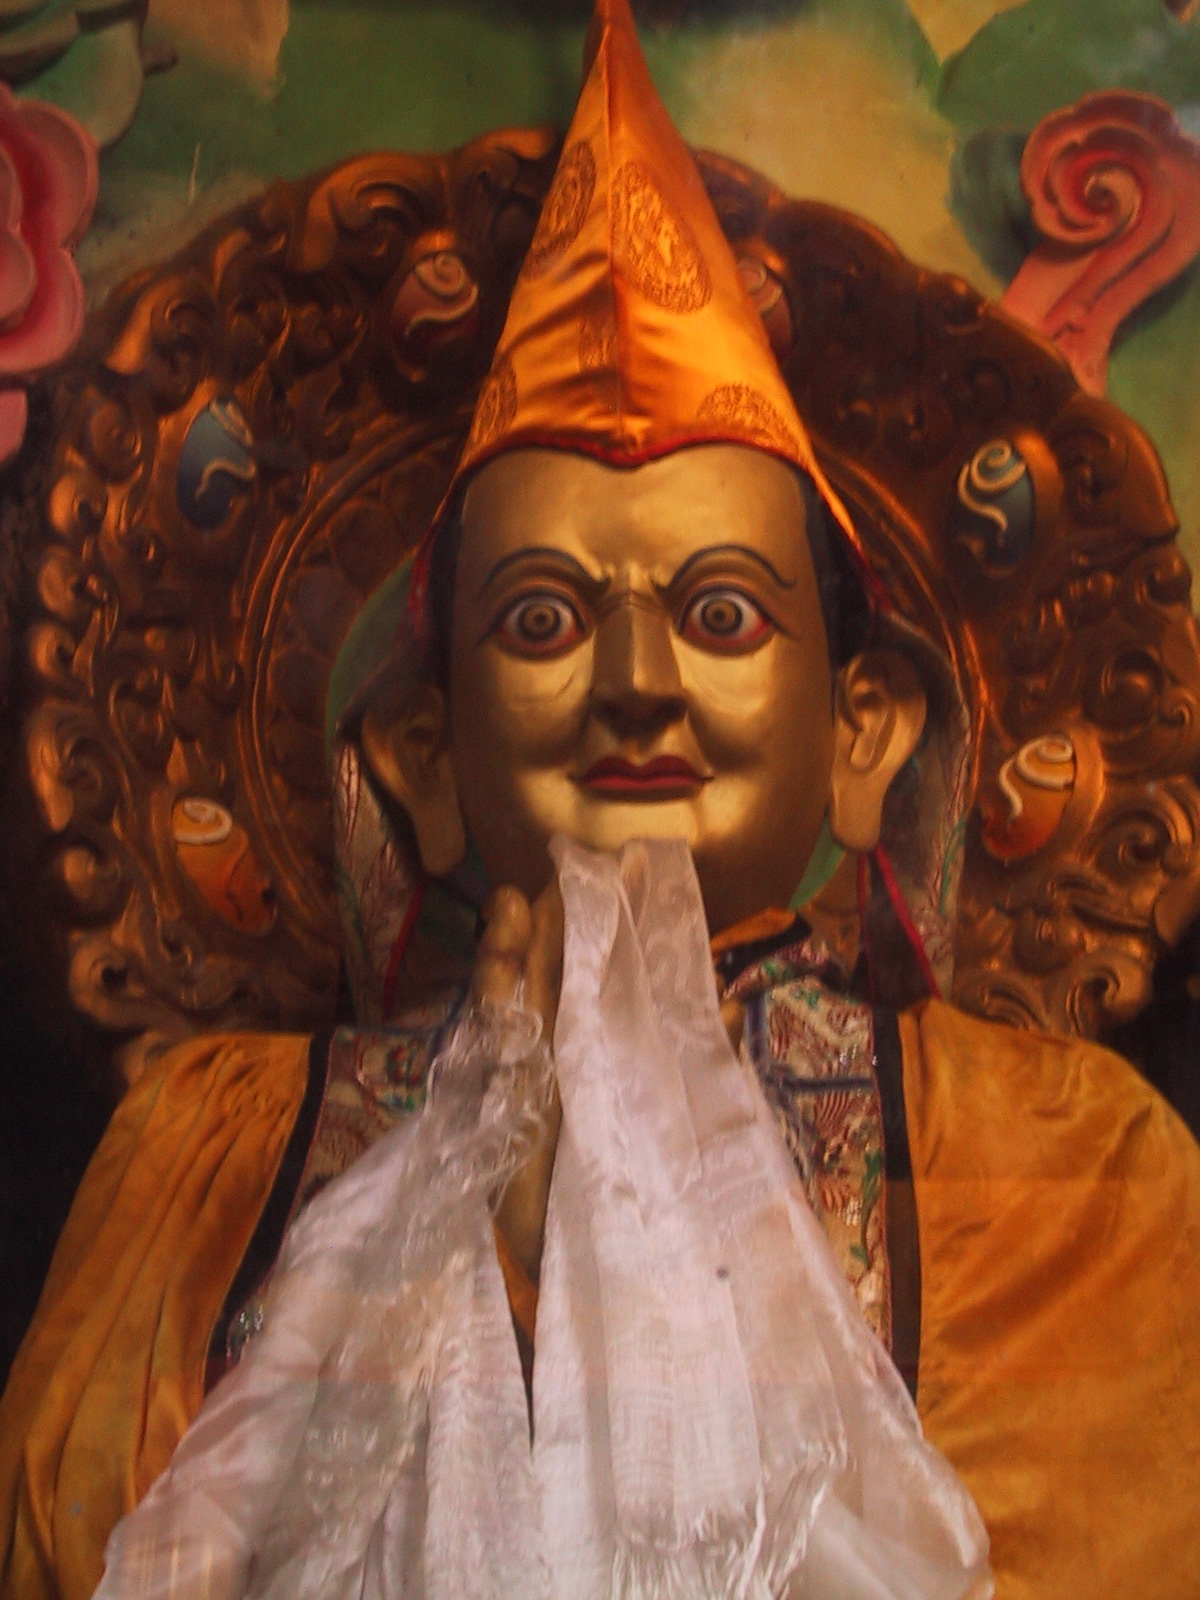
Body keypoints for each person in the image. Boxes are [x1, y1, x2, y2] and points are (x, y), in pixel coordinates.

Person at [2, 2, 1199, 1597]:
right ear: (426, 757)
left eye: (721, 614)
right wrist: (458, 1251)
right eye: (545, 620)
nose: (635, 682)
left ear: (863, 735)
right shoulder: (215, 1149)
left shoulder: (1067, 1171)